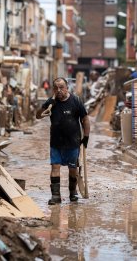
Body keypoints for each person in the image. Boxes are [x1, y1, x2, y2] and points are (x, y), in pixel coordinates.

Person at [36, 77, 90, 205]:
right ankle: (55, 196)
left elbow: (85, 120)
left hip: (73, 143)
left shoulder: (76, 101)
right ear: (53, 90)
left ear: (67, 88)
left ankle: (73, 193)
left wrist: (86, 137)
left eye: (61, 87)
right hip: (56, 142)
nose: (59, 90)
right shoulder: (51, 103)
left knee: (73, 169)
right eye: (56, 88)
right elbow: (38, 116)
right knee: (55, 167)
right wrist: (48, 105)